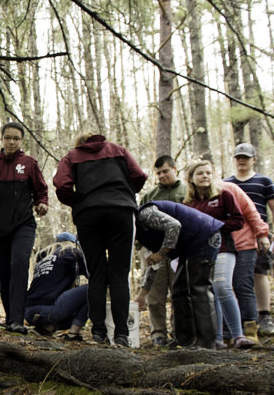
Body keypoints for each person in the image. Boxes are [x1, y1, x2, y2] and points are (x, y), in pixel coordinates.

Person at [53, 131, 147, 346]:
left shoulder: (72, 156)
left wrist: (78, 201)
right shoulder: (118, 150)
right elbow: (139, 175)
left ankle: (98, 332)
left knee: (96, 274)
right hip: (121, 212)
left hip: (89, 215)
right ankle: (121, 334)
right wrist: (125, 193)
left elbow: (61, 184)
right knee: (119, 274)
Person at [0, 122, 49, 334]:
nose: (11, 142)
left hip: (23, 224)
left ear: (21, 141)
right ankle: (10, 317)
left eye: (16, 138)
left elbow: (41, 191)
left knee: (19, 265)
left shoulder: (29, 163)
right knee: (3, 275)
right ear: (2, 139)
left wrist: (42, 204)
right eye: (8, 137)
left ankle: (17, 320)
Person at [134, 201, 224, 348]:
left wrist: (162, 252)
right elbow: (153, 265)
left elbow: (174, 225)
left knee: (199, 288)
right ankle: (184, 340)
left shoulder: (145, 215)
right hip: (188, 246)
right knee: (179, 290)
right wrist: (143, 294)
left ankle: (207, 344)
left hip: (205, 236)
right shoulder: (144, 236)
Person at [183, 160, 250, 348]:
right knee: (210, 292)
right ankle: (217, 338)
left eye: (208, 173)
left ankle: (238, 336)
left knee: (222, 287)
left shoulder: (224, 195)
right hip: (200, 253)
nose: (205, 176)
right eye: (200, 173)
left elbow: (238, 221)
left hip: (224, 249)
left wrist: (215, 226)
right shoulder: (188, 203)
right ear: (191, 178)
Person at [224, 142, 274, 335]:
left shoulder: (264, 181)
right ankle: (239, 319)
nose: (242, 161)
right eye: (239, 157)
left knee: (259, 273)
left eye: (246, 158)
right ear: (234, 160)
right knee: (236, 278)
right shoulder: (226, 183)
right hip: (235, 236)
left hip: (259, 235)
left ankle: (264, 315)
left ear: (254, 160)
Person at [140, 156, 184, 346]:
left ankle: (179, 331)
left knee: (179, 292)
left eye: (165, 171)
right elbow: (140, 222)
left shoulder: (186, 191)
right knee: (155, 294)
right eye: (158, 173)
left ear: (175, 169)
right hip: (155, 250)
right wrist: (142, 249)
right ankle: (158, 333)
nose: (162, 176)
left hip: (179, 250)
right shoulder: (151, 195)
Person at [220, 179, 270, 340]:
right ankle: (229, 331)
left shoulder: (229, 188)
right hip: (221, 248)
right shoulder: (195, 196)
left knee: (242, 285)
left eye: (208, 173)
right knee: (223, 289)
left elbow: (251, 211)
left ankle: (250, 329)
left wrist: (262, 234)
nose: (205, 177)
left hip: (244, 244)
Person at [23, 232, 88, 341]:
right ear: (73, 243)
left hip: (28, 312)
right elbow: (94, 275)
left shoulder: (43, 259)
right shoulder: (71, 252)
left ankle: (46, 327)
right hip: (49, 311)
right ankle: (73, 334)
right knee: (93, 290)